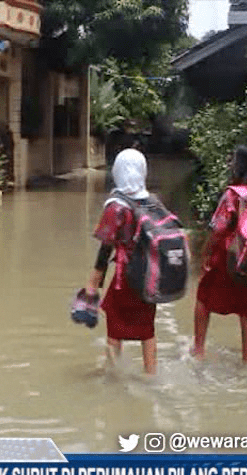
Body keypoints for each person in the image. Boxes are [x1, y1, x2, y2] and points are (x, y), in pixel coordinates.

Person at [191, 144, 247, 364]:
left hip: (228, 258)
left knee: (203, 298)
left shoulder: (233, 194)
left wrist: (204, 253)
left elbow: (218, 227)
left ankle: (198, 350)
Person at [78, 148, 158, 374]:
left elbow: (105, 250)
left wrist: (92, 285)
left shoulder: (116, 207)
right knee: (147, 329)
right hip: (151, 277)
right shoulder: (152, 202)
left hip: (126, 278)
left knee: (115, 323)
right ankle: (151, 373)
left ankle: (112, 374)